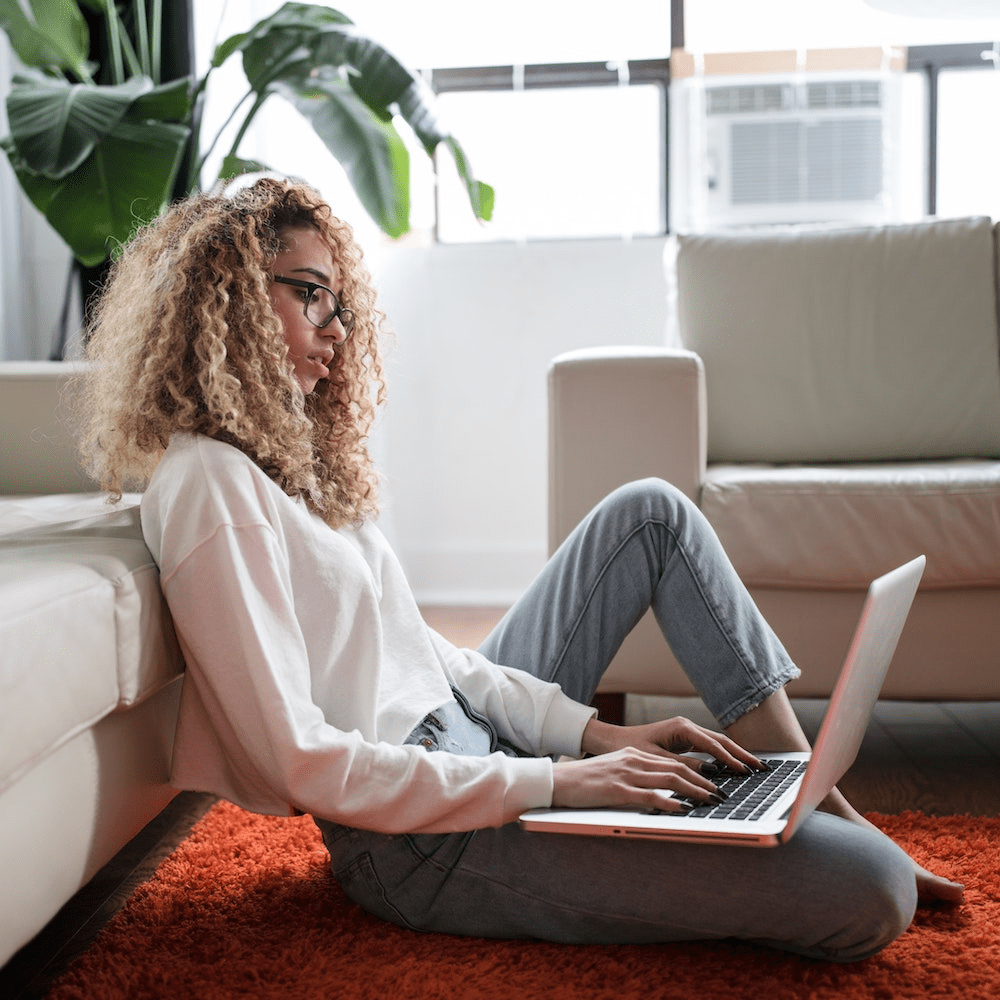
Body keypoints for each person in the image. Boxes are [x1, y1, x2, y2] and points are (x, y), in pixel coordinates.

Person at [76, 177, 962, 962]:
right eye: (310, 296)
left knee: (649, 511)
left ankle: (808, 788)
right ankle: (818, 827)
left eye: (339, 303)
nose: (336, 330)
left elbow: (425, 656)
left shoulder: (286, 462)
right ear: (226, 299)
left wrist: (590, 737)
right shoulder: (208, 484)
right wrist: (556, 781)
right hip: (418, 842)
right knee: (872, 891)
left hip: (471, 743)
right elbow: (302, 761)